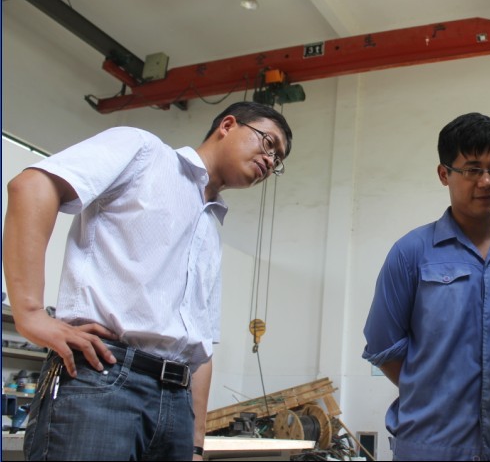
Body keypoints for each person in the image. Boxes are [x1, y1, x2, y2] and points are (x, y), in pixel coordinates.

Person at [2, 101, 293, 461]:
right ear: (228, 125)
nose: (270, 161)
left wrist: (195, 444)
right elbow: (33, 185)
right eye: (268, 143)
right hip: (102, 378)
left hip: (176, 404)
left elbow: (201, 345)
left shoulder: (210, 231)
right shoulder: (143, 152)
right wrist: (30, 313)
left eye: (278, 160)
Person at [362, 112, 490, 461]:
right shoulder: (411, 253)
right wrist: (435, 391)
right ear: (444, 174)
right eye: (472, 170)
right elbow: (384, 347)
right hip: (431, 447)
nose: (487, 181)